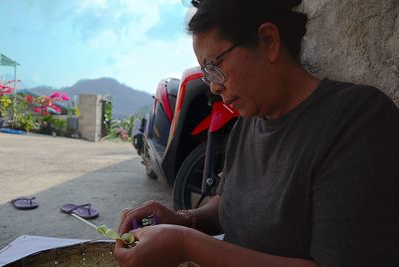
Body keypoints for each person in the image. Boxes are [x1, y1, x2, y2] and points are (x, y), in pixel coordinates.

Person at [114, 0, 399, 266]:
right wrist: (180, 219)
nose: (213, 86)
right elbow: (228, 206)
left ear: (268, 41)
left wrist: (185, 244)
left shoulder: (358, 119)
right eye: (207, 74)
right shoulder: (246, 124)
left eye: (215, 66)